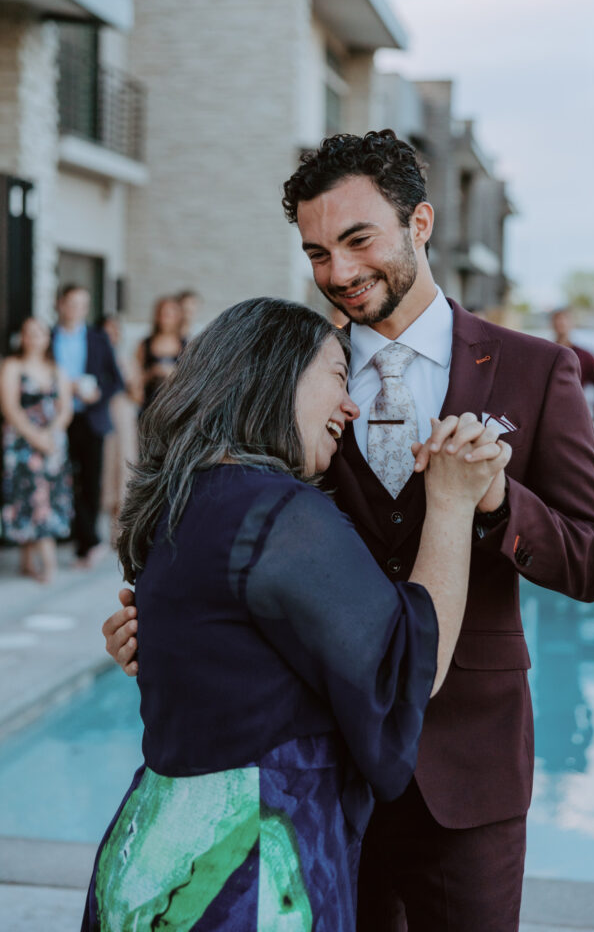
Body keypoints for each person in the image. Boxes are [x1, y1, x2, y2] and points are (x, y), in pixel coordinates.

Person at [104, 131, 594, 931]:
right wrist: (166, 627)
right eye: (316, 253)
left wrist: (493, 501)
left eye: (356, 240)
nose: (337, 274)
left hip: (467, 772)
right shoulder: (293, 376)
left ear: (419, 223)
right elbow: (233, 533)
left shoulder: (534, 369)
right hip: (318, 768)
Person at [83, 297, 510, 931]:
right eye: (339, 377)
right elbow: (408, 670)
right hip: (244, 871)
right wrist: (450, 504)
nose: (351, 405)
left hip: (153, 858)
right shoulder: (278, 512)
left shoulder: (179, 503)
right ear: (275, 371)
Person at [53, 285, 124, 566]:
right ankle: (83, 538)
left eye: (82, 304)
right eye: (71, 303)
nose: (76, 309)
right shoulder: (48, 337)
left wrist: (97, 394)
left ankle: (87, 542)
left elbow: (115, 380)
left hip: (90, 417)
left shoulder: (98, 338)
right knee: (64, 480)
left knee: (91, 481)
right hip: (58, 418)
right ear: (60, 304)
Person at [0, 317, 73, 582]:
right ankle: (45, 563)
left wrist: (51, 434)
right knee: (28, 495)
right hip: (22, 444)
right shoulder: (12, 366)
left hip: (52, 443)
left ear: (47, 338)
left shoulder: (56, 368)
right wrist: (35, 437)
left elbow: (65, 409)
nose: (33, 338)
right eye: (28, 333)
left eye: (39, 333)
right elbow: (10, 408)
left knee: (47, 496)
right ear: (22, 337)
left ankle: (28, 561)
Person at [98, 315, 139, 536]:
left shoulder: (127, 359)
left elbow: (137, 395)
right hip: (102, 413)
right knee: (105, 466)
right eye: (107, 330)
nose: (111, 334)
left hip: (123, 412)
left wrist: (131, 381)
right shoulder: (95, 357)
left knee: (124, 464)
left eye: (115, 330)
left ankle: (120, 529)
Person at [136, 295, 186, 413]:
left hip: (176, 405)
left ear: (178, 317)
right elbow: (136, 378)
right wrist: (153, 372)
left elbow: (191, 379)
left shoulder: (186, 345)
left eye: (169, 315)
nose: (165, 319)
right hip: (149, 404)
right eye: (162, 314)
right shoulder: (145, 344)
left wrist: (173, 373)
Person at [551, 307, 594, 418]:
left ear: (571, 324)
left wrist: (593, 416)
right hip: (550, 413)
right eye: (557, 320)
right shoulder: (545, 354)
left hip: (574, 414)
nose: (561, 323)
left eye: (564, 319)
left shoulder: (585, 356)